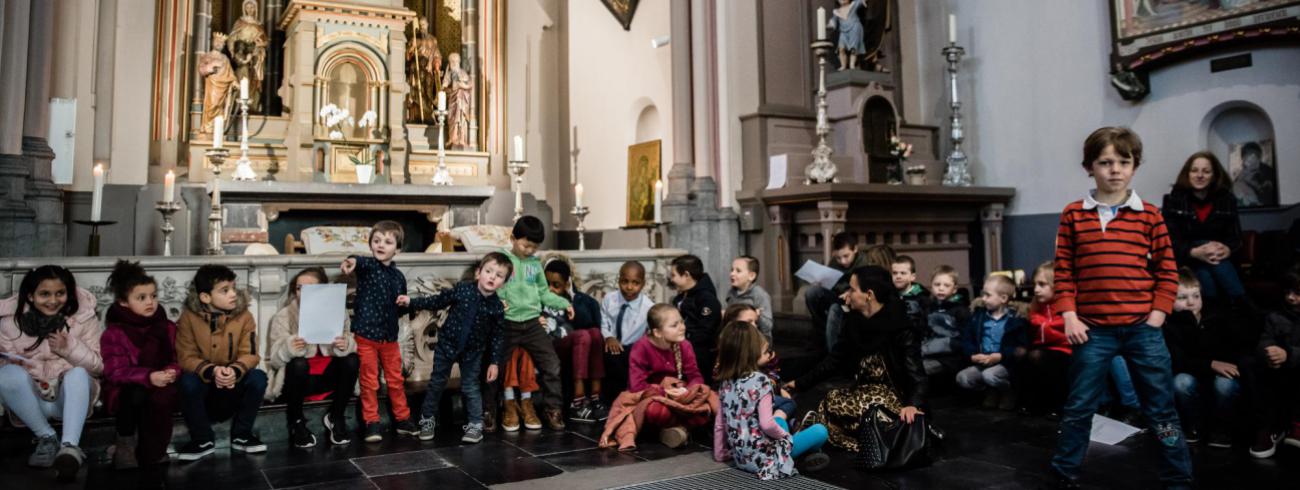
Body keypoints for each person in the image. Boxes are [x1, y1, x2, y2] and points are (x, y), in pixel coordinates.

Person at [1050, 127, 1191, 489]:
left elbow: (1167, 270)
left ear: (1134, 166)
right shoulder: (1074, 215)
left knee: (1161, 408)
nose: (1115, 169)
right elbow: (1064, 270)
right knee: (1079, 406)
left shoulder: (1149, 215)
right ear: (1089, 167)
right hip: (1092, 330)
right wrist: (1068, 314)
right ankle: (1063, 474)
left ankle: (1178, 478)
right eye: (1105, 162)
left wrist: (1158, 313)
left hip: (1143, 329)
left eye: (1123, 162)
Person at [786, 266, 928, 452]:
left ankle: (816, 432)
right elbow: (834, 361)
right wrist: (799, 384)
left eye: (853, 289)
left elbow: (916, 374)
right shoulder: (854, 321)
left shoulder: (901, 326)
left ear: (869, 294)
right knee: (832, 399)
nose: (848, 294)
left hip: (893, 398)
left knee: (866, 412)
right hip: (862, 393)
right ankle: (816, 433)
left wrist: (913, 404)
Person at [0, 266, 101, 481]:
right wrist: (15, 363)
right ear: (30, 295)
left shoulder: (83, 318)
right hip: (30, 401)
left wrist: (70, 348)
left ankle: (70, 448)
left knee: (79, 373)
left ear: (69, 293)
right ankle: (46, 437)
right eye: (45, 294)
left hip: (70, 400)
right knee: (6, 373)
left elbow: (99, 368)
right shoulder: (10, 323)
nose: (53, 300)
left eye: (60, 293)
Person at [399, 252, 510, 443]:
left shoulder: (497, 308)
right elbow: (436, 301)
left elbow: (497, 337)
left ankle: (475, 425)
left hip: (473, 352)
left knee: (470, 387)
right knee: (436, 383)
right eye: (489, 271)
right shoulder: (462, 289)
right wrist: (412, 302)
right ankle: (427, 419)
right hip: (447, 346)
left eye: (499, 275)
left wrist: (493, 362)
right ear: (478, 273)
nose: (492, 277)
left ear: (504, 282)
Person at [485, 216, 572, 431]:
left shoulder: (535, 264)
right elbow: (492, 286)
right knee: (493, 367)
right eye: (526, 245)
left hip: (532, 324)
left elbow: (543, 293)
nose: (530, 250)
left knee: (552, 364)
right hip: (508, 323)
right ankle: (488, 411)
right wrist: (498, 302)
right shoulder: (502, 260)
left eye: (534, 247)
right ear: (513, 238)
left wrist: (563, 303)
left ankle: (553, 409)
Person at [714, 321, 830, 479]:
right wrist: (786, 438)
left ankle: (799, 442)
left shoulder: (725, 383)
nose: (768, 351)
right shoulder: (761, 381)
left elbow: (720, 424)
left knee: (779, 421)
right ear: (750, 353)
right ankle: (803, 453)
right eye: (763, 349)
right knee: (820, 431)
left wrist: (720, 454)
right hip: (766, 459)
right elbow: (766, 424)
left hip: (741, 458)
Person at [175, 264, 268, 462]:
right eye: (225, 290)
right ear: (205, 297)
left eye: (233, 288)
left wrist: (234, 371)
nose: (233, 294)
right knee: (187, 381)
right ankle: (203, 439)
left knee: (259, 378)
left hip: (234, 382)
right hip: (206, 384)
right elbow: (186, 357)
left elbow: (251, 353)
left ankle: (242, 435)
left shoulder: (245, 316)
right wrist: (212, 371)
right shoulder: (189, 318)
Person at [265, 267, 359, 448]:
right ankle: (296, 421)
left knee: (352, 359)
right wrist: (289, 347)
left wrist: (345, 345)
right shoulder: (283, 316)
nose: (303, 293)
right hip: (298, 381)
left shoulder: (338, 312)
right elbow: (275, 361)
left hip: (328, 378)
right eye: (299, 288)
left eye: (310, 289)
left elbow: (350, 340)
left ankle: (336, 417)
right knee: (299, 364)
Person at [340, 220, 417, 442]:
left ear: (398, 249)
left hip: (390, 338)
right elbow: (358, 260)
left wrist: (405, 303)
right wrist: (350, 262)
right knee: (369, 381)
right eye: (376, 241)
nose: (381, 245)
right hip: (365, 337)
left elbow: (401, 304)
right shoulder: (368, 267)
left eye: (388, 242)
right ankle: (371, 422)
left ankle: (403, 419)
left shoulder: (398, 277)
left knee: (395, 380)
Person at [100, 260, 179, 469]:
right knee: (136, 392)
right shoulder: (115, 332)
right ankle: (125, 442)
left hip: (161, 380)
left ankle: (154, 449)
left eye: (153, 296)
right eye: (141, 298)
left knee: (165, 395)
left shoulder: (167, 326)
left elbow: (177, 358)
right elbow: (115, 371)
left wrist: (171, 372)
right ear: (124, 302)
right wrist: (149, 377)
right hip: (126, 390)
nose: (150, 302)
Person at [602, 304, 713, 450]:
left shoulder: (684, 345)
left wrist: (687, 391)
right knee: (655, 411)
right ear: (658, 332)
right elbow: (637, 385)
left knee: (710, 398)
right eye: (674, 325)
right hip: (653, 396)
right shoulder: (641, 347)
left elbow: (695, 376)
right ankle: (682, 429)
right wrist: (665, 392)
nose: (682, 327)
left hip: (680, 395)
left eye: (681, 321)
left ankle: (674, 431)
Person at [1162, 268, 1251, 448]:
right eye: (1182, 298)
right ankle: (1193, 425)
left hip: (1219, 376)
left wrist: (1217, 362)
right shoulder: (1170, 325)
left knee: (1225, 384)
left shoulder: (1216, 316)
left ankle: (1221, 428)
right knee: (1180, 382)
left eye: (1196, 296)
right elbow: (1178, 361)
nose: (1191, 302)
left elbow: (1234, 348)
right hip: (1192, 375)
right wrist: (1210, 364)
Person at [1162, 151, 1246, 304]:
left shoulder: (1226, 200)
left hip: (1218, 259)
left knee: (1207, 270)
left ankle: (1214, 312)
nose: (1199, 175)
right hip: (1185, 261)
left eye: (1206, 171)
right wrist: (1193, 252)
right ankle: (1242, 302)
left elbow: (1236, 238)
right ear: (1187, 174)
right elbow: (1168, 241)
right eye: (1194, 170)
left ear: (1214, 175)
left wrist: (1227, 249)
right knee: (1201, 246)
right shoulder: (1173, 200)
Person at [1242, 267, 1300, 458]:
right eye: (1288, 292)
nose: (1291, 298)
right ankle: (1267, 429)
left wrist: (1288, 354)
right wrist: (1269, 353)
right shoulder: (1276, 314)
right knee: (1250, 363)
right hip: (1279, 369)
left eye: (1297, 293)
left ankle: (1295, 425)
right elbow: (1265, 339)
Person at [542, 259, 608, 423]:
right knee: (582, 336)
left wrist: (572, 297)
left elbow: (587, 322)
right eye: (547, 283)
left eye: (556, 285)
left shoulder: (577, 300)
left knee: (594, 333)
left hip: (575, 348)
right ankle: (577, 402)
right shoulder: (537, 299)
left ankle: (595, 397)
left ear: (566, 284)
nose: (550, 289)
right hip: (551, 346)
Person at [955, 274, 1027, 411]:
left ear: (1003, 298)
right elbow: (967, 339)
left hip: (1004, 364)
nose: (983, 298)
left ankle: (1008, 391)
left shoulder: (1016, 319)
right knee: (963, 378)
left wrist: (1001, 356)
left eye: (988, 295)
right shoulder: (978, 316)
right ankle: (991, 391)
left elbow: (1020, 347)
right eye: (983, 294)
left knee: (990, 375)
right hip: (983, 361)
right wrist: (972, 355)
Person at [1016, 262, 1071, 418]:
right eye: (1035, 285)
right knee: (1021, 354)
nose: (1036, 289)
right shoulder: (1037, 307)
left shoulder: (1065, 308)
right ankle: (1029, 403)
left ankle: (1056, 404)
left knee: (1038, 357)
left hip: (1064, 350)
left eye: (1042, 285)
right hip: (1042, 349)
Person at [804, 233, 870, 353]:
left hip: (852, 298)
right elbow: (830, 281)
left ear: (855, 249)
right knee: (811, 292)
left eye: (846, 256)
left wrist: (851, 291)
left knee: (835, 308)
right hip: (836, 294)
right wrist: (820, 282)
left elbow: (866, 286)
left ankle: (833, 352)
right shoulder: (835, 261)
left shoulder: (864, 261)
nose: (843, 261)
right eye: (839, 257)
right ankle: (821, 329)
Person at [601, 261, 654, 404]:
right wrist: (609, 337)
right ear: (618, 280)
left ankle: (625, 400)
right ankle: (605, 402)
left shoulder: (648, 307)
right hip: (610, 344)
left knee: (627, 361)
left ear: (643, 284)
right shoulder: (609, 299)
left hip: (632, 348)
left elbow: (651, 333)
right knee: (607, 359)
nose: (629, 287)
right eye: (624, 281)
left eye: (635, 283)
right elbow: (603, 322)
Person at [671, 255, 722, 385]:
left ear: (686, 275)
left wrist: (684, 343)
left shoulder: (707, 299)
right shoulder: (681, 297)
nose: (672, 280)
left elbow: (705, 331)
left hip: (699, 355)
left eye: (674, 275)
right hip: (679, 349)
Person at [919, 265, 969, 378]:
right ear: (931, 286)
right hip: (928, 352)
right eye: (937, 285)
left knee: (920, 369)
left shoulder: (960, 310)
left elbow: (963, 339)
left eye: (946, 285)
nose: (941, 288)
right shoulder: (929, 308)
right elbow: (923, 331)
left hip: (949, 358)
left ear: (954, 289)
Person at [726, 256, 774, 340]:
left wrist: (757, 316)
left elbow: (768, 327)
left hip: (755, 341)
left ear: (751, 276)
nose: (732, 273)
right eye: (732, 270)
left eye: (738, 271)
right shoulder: (731, 293)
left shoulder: (759, 295)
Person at [1231, 142, 1276, 207]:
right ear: (1243, 159)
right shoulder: (1239, 178)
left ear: (1259, 157)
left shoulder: (1269, 173)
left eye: (1255, 155)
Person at [892, 255, 931, 331]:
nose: (898, 276)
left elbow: (927, 323)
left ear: (912, 277)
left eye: (903, 273)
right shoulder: (889, 296)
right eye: (895, 273)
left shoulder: (922, 298)